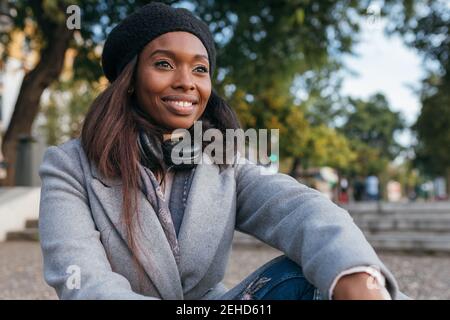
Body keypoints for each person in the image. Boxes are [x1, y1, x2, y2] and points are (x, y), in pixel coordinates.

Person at [38, 2, 408, 300]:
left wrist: (359, 276)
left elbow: (302, 210)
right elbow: (83, 281)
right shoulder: (70, 166)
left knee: (323, 270)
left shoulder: (222, 158)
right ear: (129, 79)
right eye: (164, 64)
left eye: (200, 69)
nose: (186, 82)